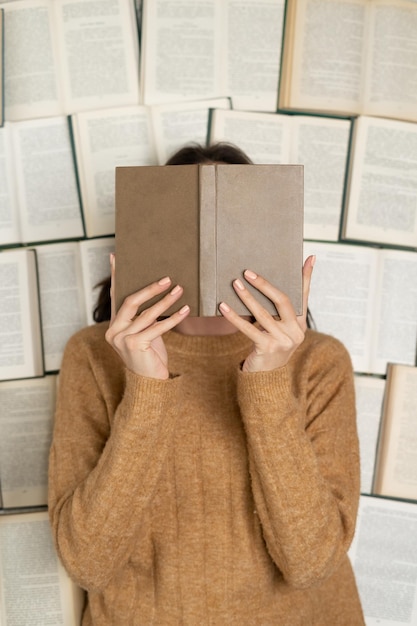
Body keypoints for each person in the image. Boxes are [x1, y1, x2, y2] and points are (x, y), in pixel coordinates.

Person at [48, 142, 365, 625]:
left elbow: (311, 564)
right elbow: (86, 563)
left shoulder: (320, 363)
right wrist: (145, 388)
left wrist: (268, 383)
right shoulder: (93, 357)